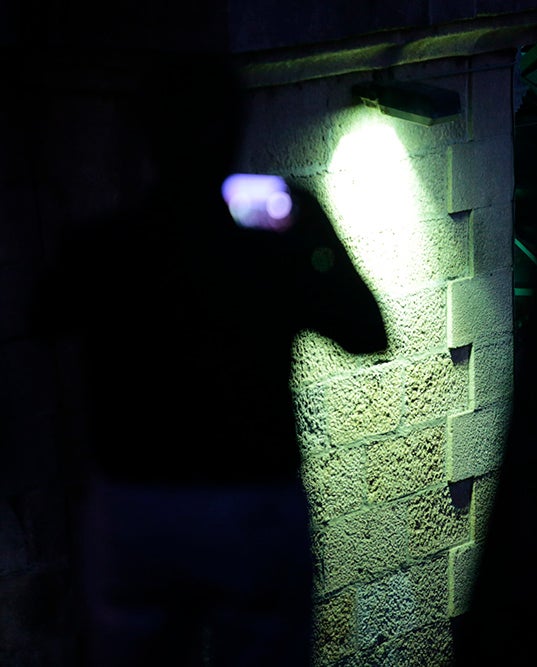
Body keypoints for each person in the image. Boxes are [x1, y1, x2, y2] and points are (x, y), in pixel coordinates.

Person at [34, 52, 387, 667]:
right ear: (233, 129)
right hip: (250, 498)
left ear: (143, 136)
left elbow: (43, 313)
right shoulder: (268, 253)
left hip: (135, 502)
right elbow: (366, 331)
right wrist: (314, 236)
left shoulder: (106, 248)